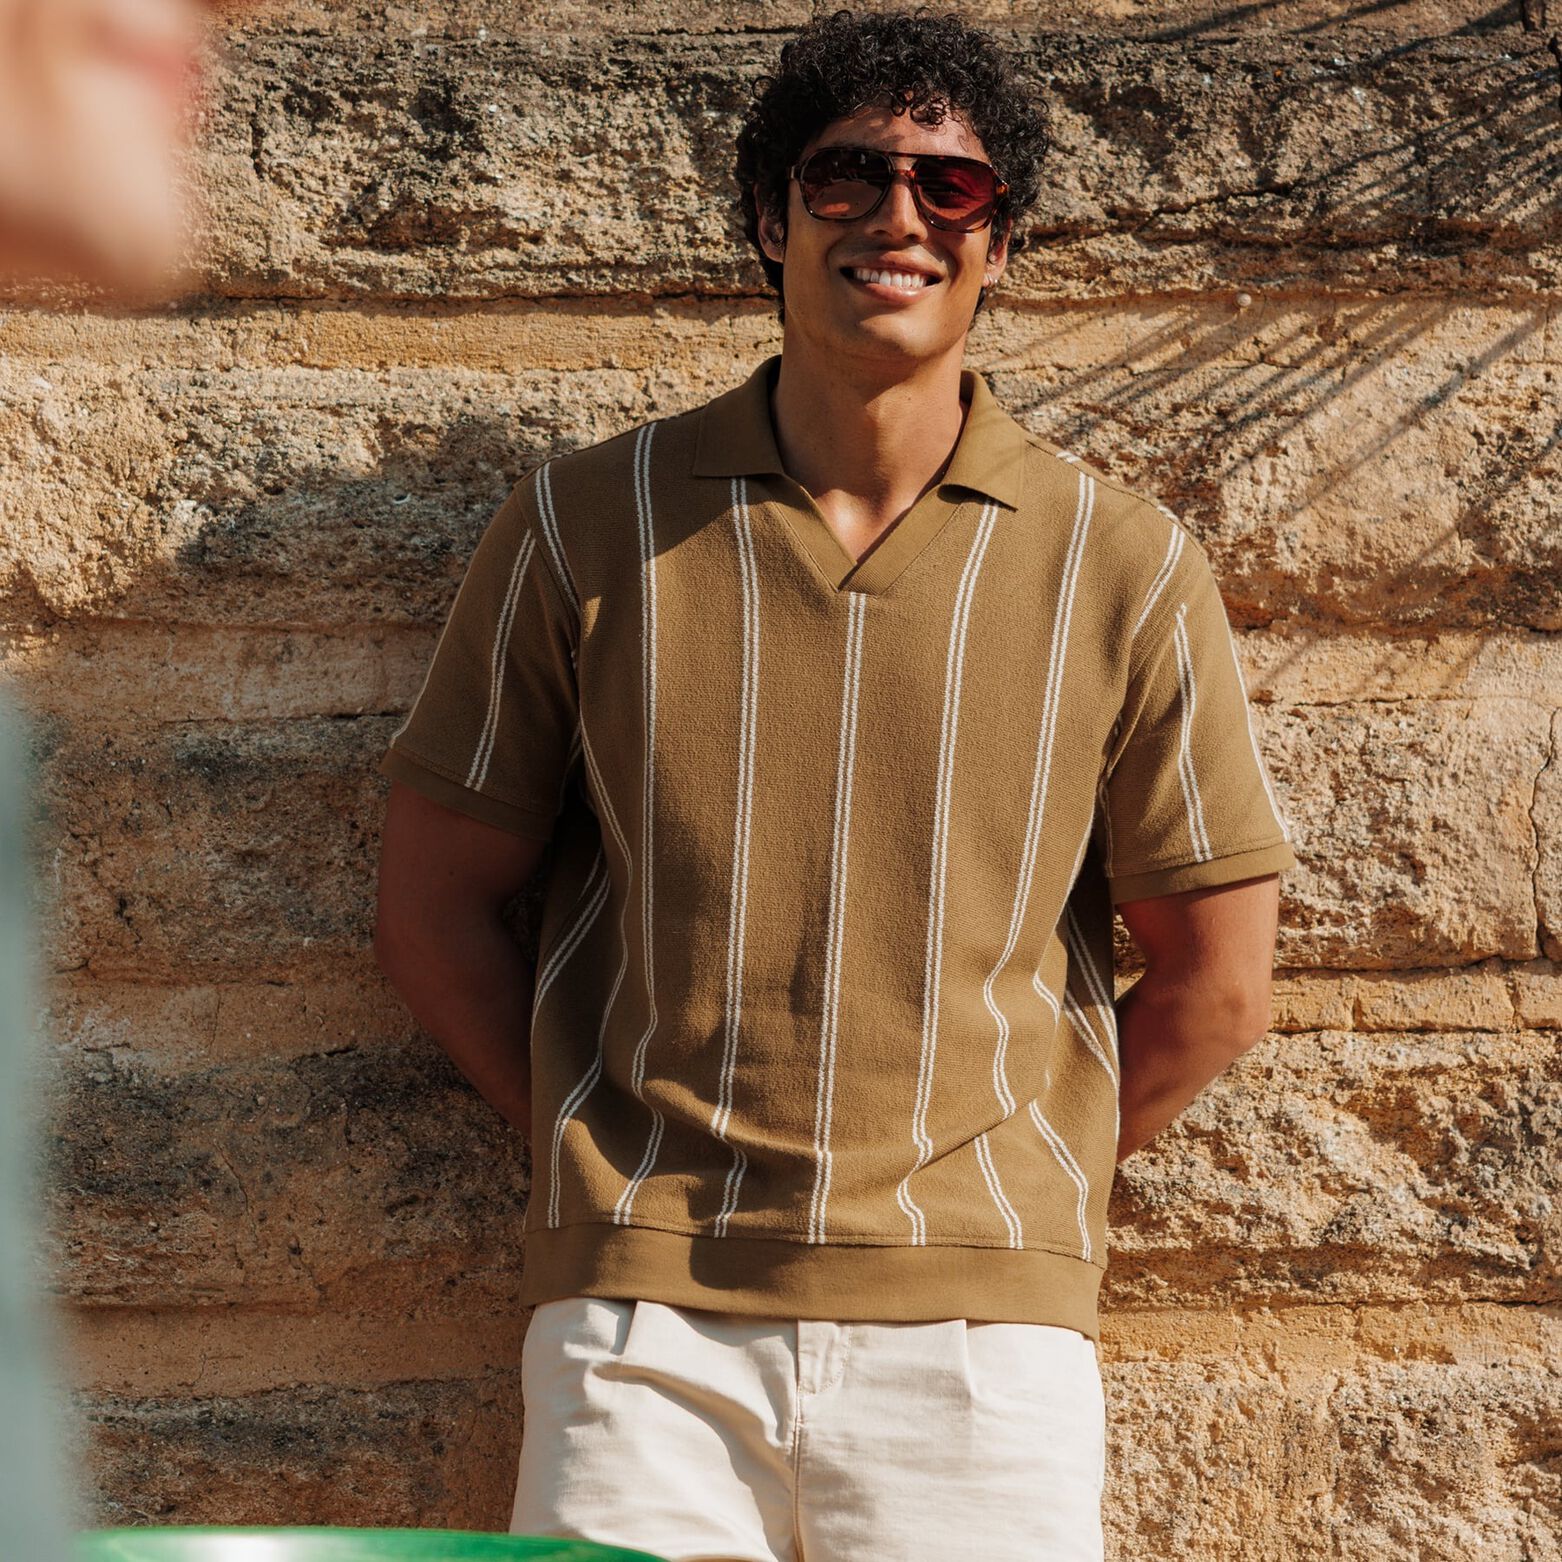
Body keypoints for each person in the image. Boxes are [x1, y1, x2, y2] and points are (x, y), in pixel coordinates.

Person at [372, 9, 1297, 1560]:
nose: (897, 216)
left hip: (982, 1358)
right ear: (768, 214)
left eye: (951, 186)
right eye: (845, 174)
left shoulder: (1119, 564)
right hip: (641, 1343)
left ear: (1000, 240)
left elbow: (1218, 980)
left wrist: (1009, 1184)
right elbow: (431, 907)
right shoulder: (587, 523)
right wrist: (603, 1162)